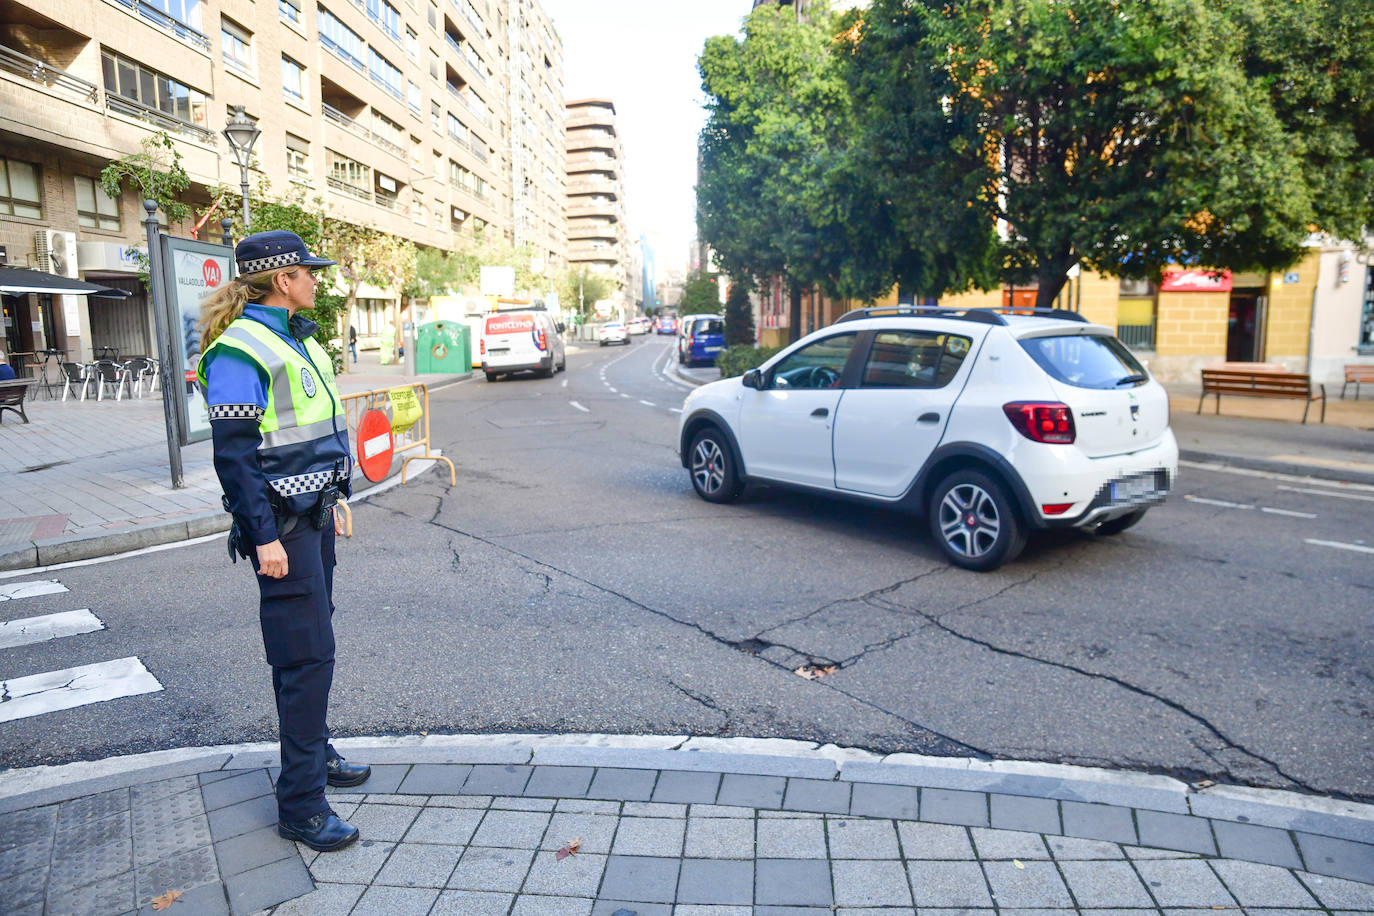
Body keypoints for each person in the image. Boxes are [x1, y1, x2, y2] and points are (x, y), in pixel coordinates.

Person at [196, 230, 370, 853]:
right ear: (281, 280)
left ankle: (315, 756)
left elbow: (315, 432)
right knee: (306, 657)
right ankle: (300, 805)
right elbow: (235, 459)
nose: (316, 280)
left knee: (311, 641)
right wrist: (263, 537)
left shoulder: (296, 340)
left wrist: (337, 494)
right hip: (282, 529)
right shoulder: (242, 352)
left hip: (312, 517)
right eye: (308, 271)